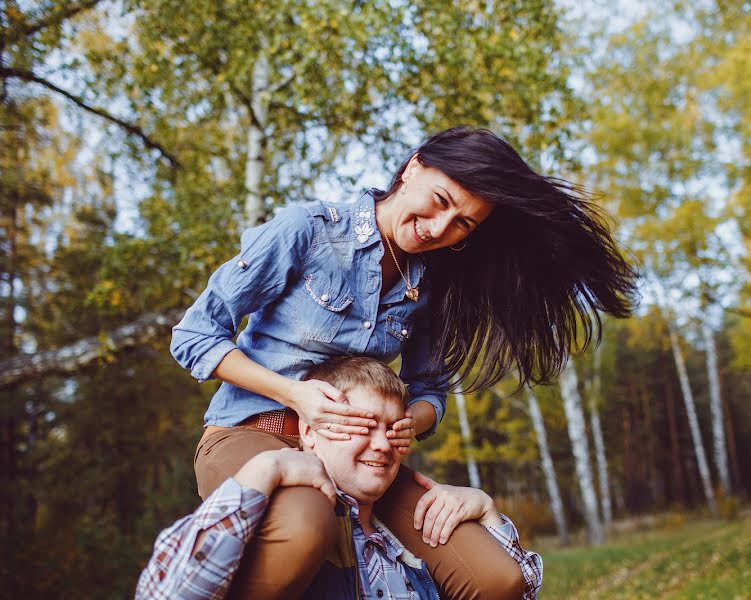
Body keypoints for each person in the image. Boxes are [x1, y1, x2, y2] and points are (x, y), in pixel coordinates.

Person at [170, 126, 639, 598]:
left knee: (497, 578)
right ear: (414, 167)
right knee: (308, 525)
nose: (439, 228)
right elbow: (194, 336)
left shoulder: (431, 285)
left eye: (462, 224)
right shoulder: (308, 231)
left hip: (360, 458)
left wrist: (407, 424)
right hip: (253, 433)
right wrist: (295, 395)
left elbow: (430, 389)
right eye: (440, 200)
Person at [136, 357, 542, 600]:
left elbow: (516, 592)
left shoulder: (412, 549)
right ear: (310, 433)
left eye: (393, 429)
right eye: (362, 426)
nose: (382, 444)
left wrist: (488, 515)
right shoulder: (276, 542)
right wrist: (267, 468)